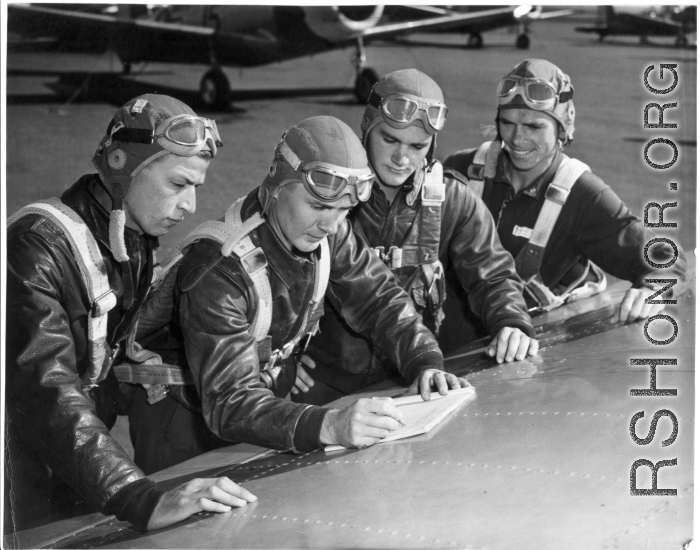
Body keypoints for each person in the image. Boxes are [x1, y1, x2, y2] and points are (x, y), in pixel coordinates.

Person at [128, 115, 468, 475]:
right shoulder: (217, 269)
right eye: (319, 206)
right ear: (276, 186)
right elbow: (229, 401)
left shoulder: (326, 234)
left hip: (262, 402)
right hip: (182, 421)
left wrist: (424, 359)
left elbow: (379, 298)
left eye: (343, 210)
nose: (331, 224)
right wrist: (329, 424)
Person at [5, 94, 256, 536]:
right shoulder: (34, 248)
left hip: (76, 462)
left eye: (195, 187)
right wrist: (137, 496)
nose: (190, 206)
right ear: (124, 169)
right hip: (18, 476)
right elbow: (47, 388)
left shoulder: (130, 237)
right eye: (178, 185)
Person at [293, 69, 539, 406]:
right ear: (367, 127)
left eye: (417, 146)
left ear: (432, 145)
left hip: (414, 375)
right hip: (324, 379)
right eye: (390, 140)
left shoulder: (453, 200)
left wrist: (511, 322)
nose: (401, 158)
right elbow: (275, 270)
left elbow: (492, 275)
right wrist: (280, 356)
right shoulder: (329, 192)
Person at [443, 59, 686, 324]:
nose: (516, 138)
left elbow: (665, 256)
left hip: (512, 346)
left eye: (534, 127)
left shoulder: (580, 194)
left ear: (561, 128)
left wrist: (653, 290)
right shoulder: (463, 169)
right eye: (507, 123)